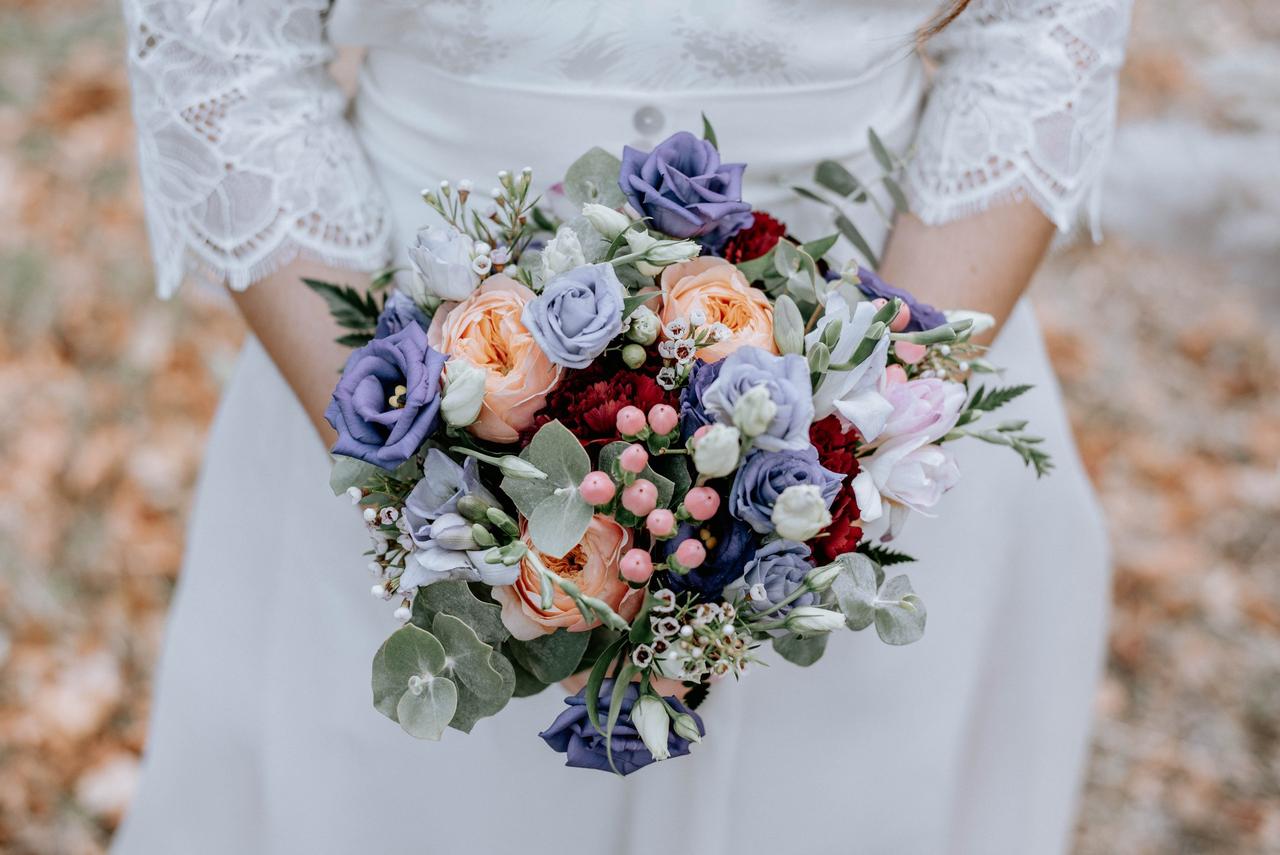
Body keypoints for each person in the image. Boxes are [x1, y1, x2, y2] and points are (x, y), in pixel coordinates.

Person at [114, 2, 1132, 853]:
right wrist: (428, 462)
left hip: (876, 377)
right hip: (399, 362)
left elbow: (1035, 29)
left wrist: (856, 437)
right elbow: (225, 53)